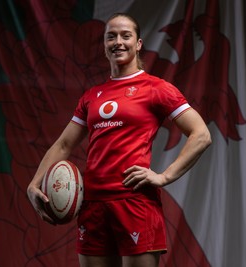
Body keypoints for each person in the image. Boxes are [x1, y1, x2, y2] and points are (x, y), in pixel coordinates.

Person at [27, 12, 212, 267]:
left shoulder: (156, 88)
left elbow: (201, 134)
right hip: (92, 206)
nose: (118, 42)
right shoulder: (92, 96)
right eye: (111, 36)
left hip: (134, 202)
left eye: (126, 35)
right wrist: (34, 183)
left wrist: (164, 176)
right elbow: (63, 145)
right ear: (104, 46)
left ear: (138, 44)